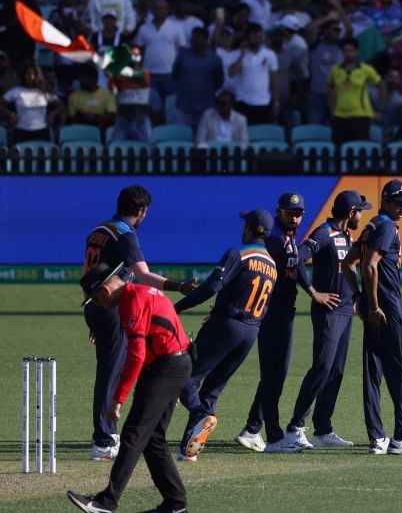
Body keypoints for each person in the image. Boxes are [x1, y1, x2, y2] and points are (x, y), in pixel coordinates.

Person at [68, 262, 194, 513]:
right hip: (173, 364)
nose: (98, 305)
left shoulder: (131, 300)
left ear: (105, 289)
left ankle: (106, 503)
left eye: (95, 299)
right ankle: (176, 504)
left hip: (166, 366)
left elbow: (135, 355)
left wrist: (117, 399)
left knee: (134, 433)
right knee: (153, 438)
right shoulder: (140, 292)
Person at [82, 185, 195, 461]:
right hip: (111, 305)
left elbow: (88, 273)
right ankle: (104, 440)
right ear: (142, 210)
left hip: (94, 303)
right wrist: (178, 286)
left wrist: (92, 316)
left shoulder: (99, 229)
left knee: (117, 367)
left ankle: (111, 432)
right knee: (113, 371)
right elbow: (142, 276)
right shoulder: (125, 233)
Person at [175, 208, 278, 461]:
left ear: (252, 229)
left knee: (185, 379)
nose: (242, 228)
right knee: (211, 390)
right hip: (250, 331)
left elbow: (211, 286)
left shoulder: (239, 253)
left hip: (227, 325)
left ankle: (200, 416)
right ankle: (189, 451)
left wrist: (175, 307)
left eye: (246, 225)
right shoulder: (272, 265)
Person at [342, 179, 402, 455]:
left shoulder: (371, 225)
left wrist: (360, 298)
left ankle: (377, 438)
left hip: (374, 311)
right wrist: (371, 305)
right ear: (385, 200)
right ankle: (401, 436)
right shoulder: (385, 226)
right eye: (398, 202)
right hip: (388, 310)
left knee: (373, 373)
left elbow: (348, 262)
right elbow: (368, 265)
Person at [237, 193, 329, 454]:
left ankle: (253, 428)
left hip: (284, 310)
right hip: (272, 310)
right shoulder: (274, 239)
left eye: (299, 213)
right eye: (290, 213)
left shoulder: (287, 238)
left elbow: (297, 265)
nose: (295, 217)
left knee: (275, 373)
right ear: (279, 213)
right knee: (273, 374)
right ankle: (274, 436)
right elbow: (255, 267)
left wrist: (312, 292)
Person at [284, 190, 373, 449]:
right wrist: (314, 293)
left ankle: (323, 430)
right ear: (350, 213)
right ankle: (295, 427)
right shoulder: (324, 232)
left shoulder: (348, 235)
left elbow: (349, 268)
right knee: (322, 367)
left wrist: (355, 296)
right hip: (329, 312)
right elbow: (298, 258)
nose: (361, 215)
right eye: (360, 211)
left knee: (336, 371)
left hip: (346, 310)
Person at [328, 37, 385, 145]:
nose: (348, 53)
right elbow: (331, 88)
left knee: (360, 150)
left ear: (357, 52)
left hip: (360, 116)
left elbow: (381, 85)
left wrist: (380, 109)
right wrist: (332, 109)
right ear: (342, 52)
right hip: (340, 116)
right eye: (345, 51)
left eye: (351, 50)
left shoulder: (366, 69)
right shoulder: (335, 70)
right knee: (339, 150)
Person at [1, 65, 62, 144]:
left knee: (43, 155)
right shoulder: (16, 91)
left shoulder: (44, 91)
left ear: (38, 76)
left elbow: (61, 106)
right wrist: (10, 114)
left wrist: (53, 114)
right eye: (28, 74)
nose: (31, 77)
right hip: (21, 131)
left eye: (34, 74)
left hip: (42, 131)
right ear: (24, 76)